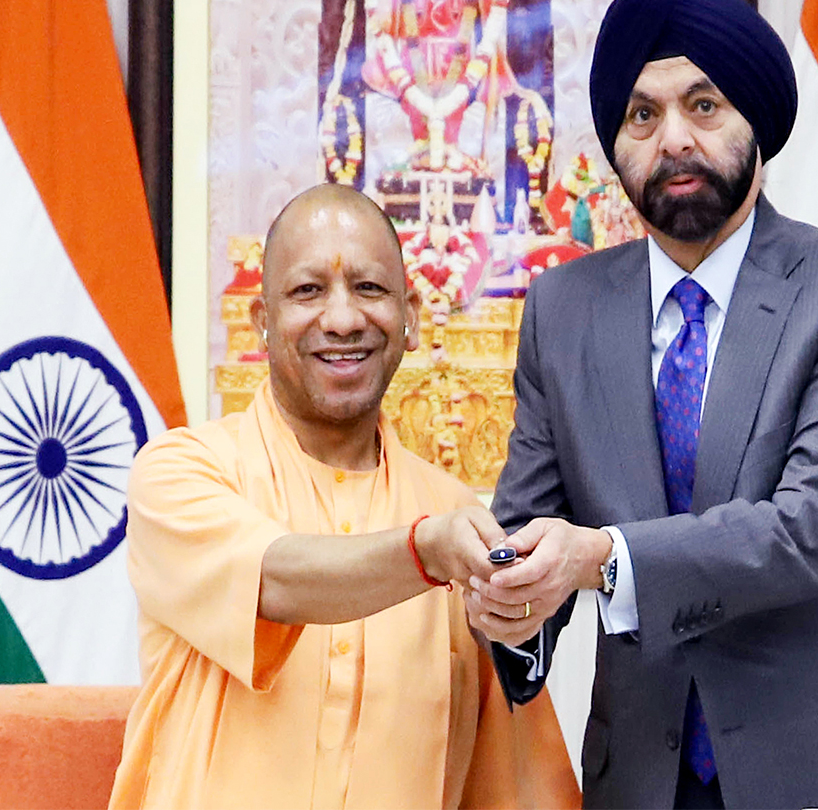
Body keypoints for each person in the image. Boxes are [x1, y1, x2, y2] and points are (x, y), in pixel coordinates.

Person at [466, 0, 818, 809]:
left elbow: (813, 529)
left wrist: (600, 558)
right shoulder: (563, 310)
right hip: (645, 781)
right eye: (642, 114)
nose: (674, 140)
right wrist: (510, 602)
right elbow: (528, 522)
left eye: (704, 106)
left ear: (755, 124)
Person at [108, 183, 576, 810]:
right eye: (307, 291)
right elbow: (273, 580)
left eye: (370, 289)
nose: (343, 318)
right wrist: (425, 553)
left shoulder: (455, 511)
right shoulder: (183, 473)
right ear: (262, 322)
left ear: (410, 317)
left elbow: (515, 781)